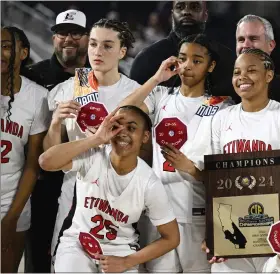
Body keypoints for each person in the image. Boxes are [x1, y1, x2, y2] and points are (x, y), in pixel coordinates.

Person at [121, 33, 232, 272]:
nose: (187, 66)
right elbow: (123, 112)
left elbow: (227, 174)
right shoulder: (161, 97)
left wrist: (191, 169)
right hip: (158, 213)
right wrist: (156, 78)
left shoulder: (221, 108)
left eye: (197, 60)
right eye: (182, 59)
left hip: (198, 214)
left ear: (211, 66)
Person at [45, 18, 141, 271]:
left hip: (120, 194)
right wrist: (55, 123)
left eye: (108, 46)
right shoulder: (66, 90)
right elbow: (49, 155)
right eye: (94, 44)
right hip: (74, 192)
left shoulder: (140, 94)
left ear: (122, 51)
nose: (98, 52)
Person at [39, 106, 180, 272]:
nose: (122, 132)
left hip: (121, 251)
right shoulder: (92, 155)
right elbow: (45, 161)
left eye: (132, 128)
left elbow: (172, 238)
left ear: (145, 136)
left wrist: (128, 261)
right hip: (78, 243)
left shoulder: (149, 183)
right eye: (116, 125)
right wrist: (96, 139)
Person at [203, 48, 280, 272]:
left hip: (275, 230)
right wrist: (213, 232)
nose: (242, 77)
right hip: (232, 228)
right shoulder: (221, 119)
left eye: (251, 70)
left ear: (269, 75)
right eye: (237, 72)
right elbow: (216, 182)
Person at [23, 9, 90, 272]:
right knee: (38, 258)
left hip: (81, 182)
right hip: (40, 183)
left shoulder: (92, 78)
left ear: (86, 38)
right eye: (62, 32)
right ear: (53, 38)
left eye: (75, 33)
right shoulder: (33, 75)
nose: (68, 39)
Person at [1, 26, 50, 273]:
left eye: (7, 46)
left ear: (23, 53)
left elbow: (33, 164)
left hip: (13, 199)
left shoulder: (38, 97)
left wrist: (10, 218)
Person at [129, 1, 236, 99]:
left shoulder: (225, 59)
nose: (186, 12)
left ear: (205, 15)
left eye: (194, 7)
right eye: (180, 7)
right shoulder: (147, 59)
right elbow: (130, 110)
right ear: (172, 14)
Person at [235, 14, 280, 108]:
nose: (246, 45)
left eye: (253, 38)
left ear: (271, 45)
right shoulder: (222, 92)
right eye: (241, 40)